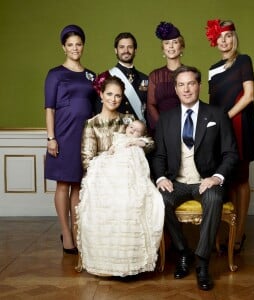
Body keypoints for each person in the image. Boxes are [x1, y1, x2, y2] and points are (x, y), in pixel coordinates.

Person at [151, 65, 238, 290]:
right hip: (177, 182)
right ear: (176, 89)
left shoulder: (217, 114)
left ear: (199, 86)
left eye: (191, 83)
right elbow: (159, 155)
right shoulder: (166, 118)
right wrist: (161, 178)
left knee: (214, 199)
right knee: (160, 201)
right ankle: (183, 251)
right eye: (181, 85)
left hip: (206, 180)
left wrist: (217, 177)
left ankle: (202, 261)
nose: (186, 89)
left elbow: (230, 153)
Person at [76, 75, 164, 277]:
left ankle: (130, 262)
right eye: (109, 94)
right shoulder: (92, 124)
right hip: (102, 179)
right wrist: (109, 163)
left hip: (128, 179)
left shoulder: (128, 120)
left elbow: (150, 143)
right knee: (111, 203)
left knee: (137, 202)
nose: (113, 99)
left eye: (118, 95)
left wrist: (138, 143)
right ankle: (106, 263)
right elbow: (87, 160)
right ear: (101, 94)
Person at [205, 19, 254, 253]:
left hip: (239, 125)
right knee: (225, 180)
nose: (224, 41)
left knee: (241, 179)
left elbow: (249, 96)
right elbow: (212, 103)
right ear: (215, 42)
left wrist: (225, 117)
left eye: (228, 36)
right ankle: (226, 229)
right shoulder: (212, 69)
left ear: (234, 38)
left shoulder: (244, 61)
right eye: (220, 37)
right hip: (220, 129)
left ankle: (239, 233)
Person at [44, 24, 98, 254]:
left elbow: (97, 110)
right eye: (70, 45)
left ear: (83, 46)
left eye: (78, 44)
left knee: (78, 184)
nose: (75, 48)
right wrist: (51, 138)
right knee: (63, 183)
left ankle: (77, 231)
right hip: (63, 135)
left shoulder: (91, 76)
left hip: (84, 135)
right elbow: (49, 108)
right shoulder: (55, 74)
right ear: (63, 47)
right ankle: (66, 233)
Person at [94, 32, 148, 122]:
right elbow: (99, 110)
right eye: (122, 47)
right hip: (115, 131)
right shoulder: (104, 77)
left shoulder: (145, 79)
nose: (126, 50)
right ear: (116, 50)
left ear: (135, 50)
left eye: (130, 47)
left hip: (138, 132)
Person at [147, 21, 185, 136]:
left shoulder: (189, 74)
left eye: (175, 42)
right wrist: (163, 126)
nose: (171, 46)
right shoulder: (155, 76)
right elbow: (151, 105)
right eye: (167, 43)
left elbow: (194, 104)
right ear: (163, 49)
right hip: (161, 130)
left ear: (182, 46)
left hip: (185, 127)